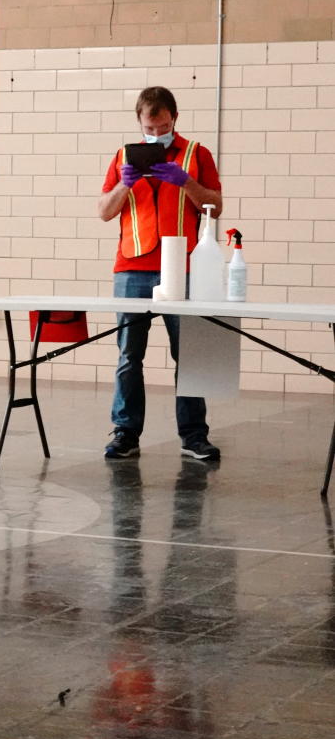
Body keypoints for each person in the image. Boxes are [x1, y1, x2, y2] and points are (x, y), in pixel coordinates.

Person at [97, 87, 223, 461]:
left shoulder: (196, 154)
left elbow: (215, 207)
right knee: (128, 356)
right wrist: (126, 182)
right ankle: (125, 433)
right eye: (150, 128)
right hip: (131, 268)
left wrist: (184, 182)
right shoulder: (123, 157)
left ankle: (193, 436)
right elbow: (104, 211)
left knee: (189, 355)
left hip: (182, 268)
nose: (157, 134)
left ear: (175, 120)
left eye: (164, 126)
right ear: (140, 123)